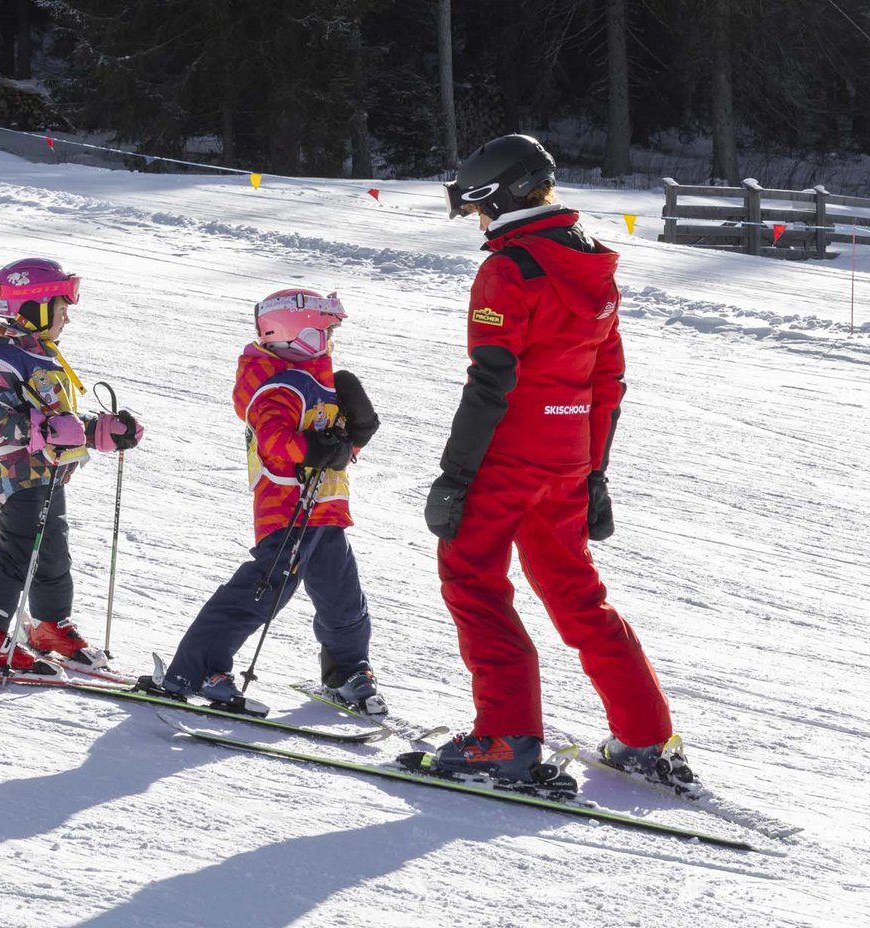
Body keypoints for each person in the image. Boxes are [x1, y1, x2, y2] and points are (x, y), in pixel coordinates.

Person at [409, 133, 688, 787]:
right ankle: (646, 736)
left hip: (507, 459)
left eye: (476, 206)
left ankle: (505, 738)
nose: (475, 219)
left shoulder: (507, 270)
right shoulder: (593, 265)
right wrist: (593, 472)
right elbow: (606, 382)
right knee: (575, 593)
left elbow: (490, 381)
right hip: (564, 461)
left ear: (497, 197)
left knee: (473, 580)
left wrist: (455, 476)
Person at [141, 289, 383, 715]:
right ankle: (195, 671)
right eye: (325, 333)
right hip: (287, 510)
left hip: (325, 511)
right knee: (261, 592)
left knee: (343, 597)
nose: (330, 343)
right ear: (299, 334)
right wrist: (315, 448)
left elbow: (334, 447)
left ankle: (349, 671)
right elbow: (273, 440)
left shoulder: (317, 385)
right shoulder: (278, 387)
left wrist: (353, 439)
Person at [0, 257, 143, 670]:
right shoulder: (0, 356)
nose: (68, 320)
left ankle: (48, 624)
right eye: (62, 309)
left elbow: (58, 418)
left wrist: (104, 431)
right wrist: (49, 431)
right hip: (18, 473)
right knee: (18, 551)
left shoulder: (38, 353)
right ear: (33, 308)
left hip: (48, 472)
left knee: (53, 552)